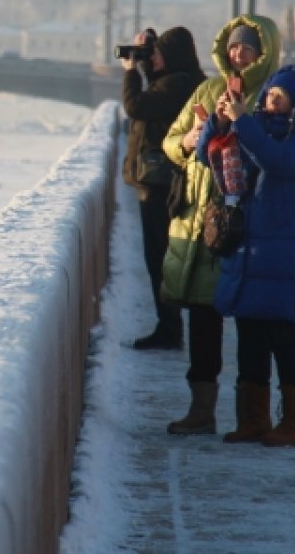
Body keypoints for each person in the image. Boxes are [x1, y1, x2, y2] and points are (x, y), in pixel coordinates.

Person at [160, 14, 281, 435]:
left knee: (251, 325)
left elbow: (275, 155)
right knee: (203, 321)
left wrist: (244, 119)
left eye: (248, 47)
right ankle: (201, 411)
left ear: (263, 53)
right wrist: (188, 142)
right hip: (202, 224)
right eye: (233, 46)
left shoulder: (271, 94)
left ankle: (252, 417)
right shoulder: (208, 89)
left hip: (247, 226)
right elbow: (170, 141)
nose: (238, 54)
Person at [199, 64, 295, 447]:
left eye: (279, 96)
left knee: (282, 337)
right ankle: (252, 419)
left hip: (280, 252)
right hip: (246, 247)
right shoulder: (248, 129)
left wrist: (244, 124)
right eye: (269, 93)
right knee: (249, 337)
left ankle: (292, 423)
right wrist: (221, 124)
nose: (270, 100)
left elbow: (275, 160)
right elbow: (209, 159)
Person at [121, 26, 207, 350]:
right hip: (167, 180)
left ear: (170, 58)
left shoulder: (178, 84)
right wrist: (145, 60)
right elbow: (154, 95)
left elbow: (137, 106)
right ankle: (169, 325)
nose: (151, 59)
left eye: (156, 55)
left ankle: (169, 329)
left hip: (159, 183)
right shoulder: (183, 80)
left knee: (159, 257)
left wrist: (130, 72)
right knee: (163, 257)